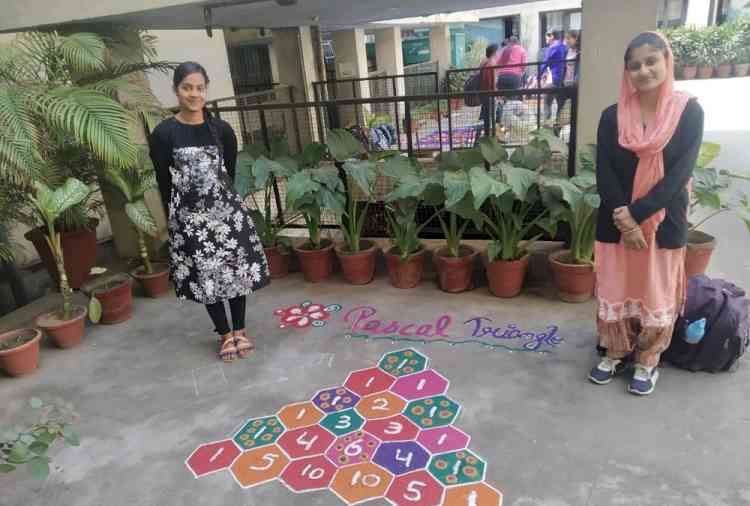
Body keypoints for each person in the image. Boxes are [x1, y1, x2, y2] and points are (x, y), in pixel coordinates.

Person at [588, 32, 704, 395]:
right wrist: (624, 219)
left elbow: (679, 175)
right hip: (616, 221)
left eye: (651, 61)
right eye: (634, 65)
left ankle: (648, 359)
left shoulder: (688, 112)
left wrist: (636, 216)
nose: (644, 70)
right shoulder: (612, 116)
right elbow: (605, 173)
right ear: (626, 72)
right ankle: (616, 349)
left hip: (662, 221)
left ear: (667, 62)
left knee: (654, 290)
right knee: (617, 284)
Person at [148, 62, 271, 363]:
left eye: (199, 88)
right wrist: (173, 220)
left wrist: (228, 207)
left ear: (206, 89)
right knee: (207, 276)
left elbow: (228, 168)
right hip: (191, 219)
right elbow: (164, 181)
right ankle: (224, 334)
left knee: (233, 272)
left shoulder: (221, 129)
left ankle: (240, 330)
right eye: (187, 88)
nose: (194, 94)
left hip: (227, 213)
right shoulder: (165, 133)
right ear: (176, 90)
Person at [495, 36, 528, 129]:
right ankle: (510, 126)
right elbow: (524, 66)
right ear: (518, 42)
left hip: (502, 77)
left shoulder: (505, 50)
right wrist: (519, 72)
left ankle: (500, 124)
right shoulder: (522, 50)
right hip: (514, 77)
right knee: (513, 102)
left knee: (503, 101)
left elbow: (498, 63)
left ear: (510, 42)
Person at [553, 29, 582, 134]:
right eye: (566, 38)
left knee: (574, 112)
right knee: (560, 112)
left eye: (569, 38)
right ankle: (556, 135)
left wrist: (576, 81)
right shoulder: (566, 51)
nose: (567, 41)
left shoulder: (580, 52)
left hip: (574, 87)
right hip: (564, 85)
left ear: (575, 38)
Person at [474, 43, 499, 147]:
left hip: (484, 94)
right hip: (488, 95)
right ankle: (488, 142)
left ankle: (478, 140)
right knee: (489, 119)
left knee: (484, 117)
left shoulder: (484, 61)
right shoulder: (490, 64)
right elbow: (491, 82)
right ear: (494, 52)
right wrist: (495, 95)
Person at [538, 29, 567, 121]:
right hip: (563, 81)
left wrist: (537, 77)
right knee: (560, 105)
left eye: (547, 36)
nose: (545, 38)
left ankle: (546, 125)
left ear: (552, 36)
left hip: (554, 80)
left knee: (547, 103)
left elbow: (545, 63)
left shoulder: (553, 47)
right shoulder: (564, 46)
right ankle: (558, 126)